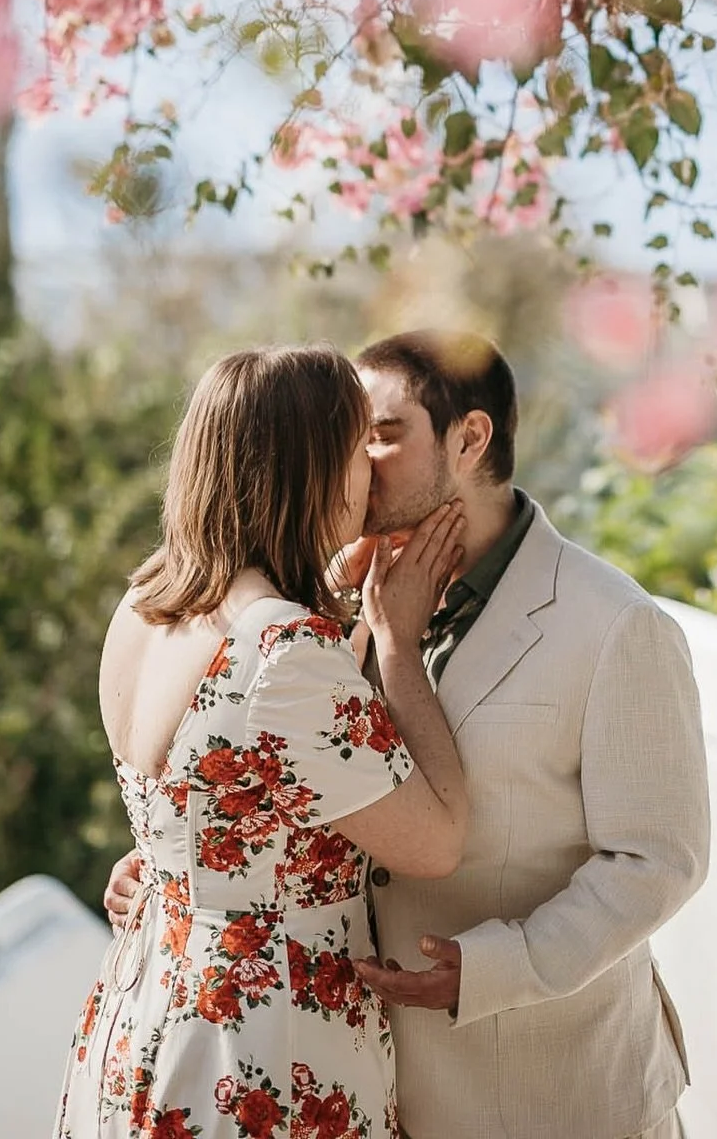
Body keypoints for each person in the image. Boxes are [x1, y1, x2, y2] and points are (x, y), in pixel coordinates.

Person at [108, 330, 710, 1139]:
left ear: (469, 440)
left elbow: (659, 859)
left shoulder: (616, 625)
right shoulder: (309, 609)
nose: (358, 460)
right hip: (350, 1082)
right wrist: (176, 864)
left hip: (545, 1093)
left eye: (381, 435)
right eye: (347, 438)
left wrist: (500, 967)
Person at [61, 343, 468, 1139]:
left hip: (144, 1015)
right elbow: (440, 839)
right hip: (260, 1049)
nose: (371, 474)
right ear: (310, 471)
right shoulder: (283, 654)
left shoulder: (144, 603)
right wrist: (397, 643)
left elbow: (230, 785)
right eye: (358, 452)